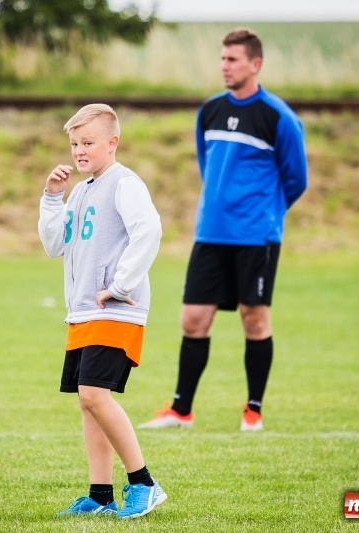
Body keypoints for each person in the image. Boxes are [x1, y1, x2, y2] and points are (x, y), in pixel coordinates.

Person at [139, 28, 308, 432]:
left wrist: (264, 214)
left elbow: (296, 179)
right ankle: (181, 410)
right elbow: (206, 164)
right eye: (222, 58)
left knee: (254, 319)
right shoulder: (209, 111)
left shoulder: (278, 117)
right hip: (210, 233)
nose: (224, 66)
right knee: (193, 319)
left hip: (256, 237)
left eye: (232, 59)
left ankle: (253, 410)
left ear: (255, 64)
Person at [38, 103, 167, 518]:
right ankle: (99, 494)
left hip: (116, 309)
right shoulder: (80, 190)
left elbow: (149, 231)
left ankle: (145, 484)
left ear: (112, 143)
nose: (79, 150)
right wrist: (52, 198)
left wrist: (120, 285)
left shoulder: (125, 183)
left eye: (88, 142)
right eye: (74, 143)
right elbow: (54, 244)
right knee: (88, 400)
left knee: (95, 394)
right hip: (82, 314)